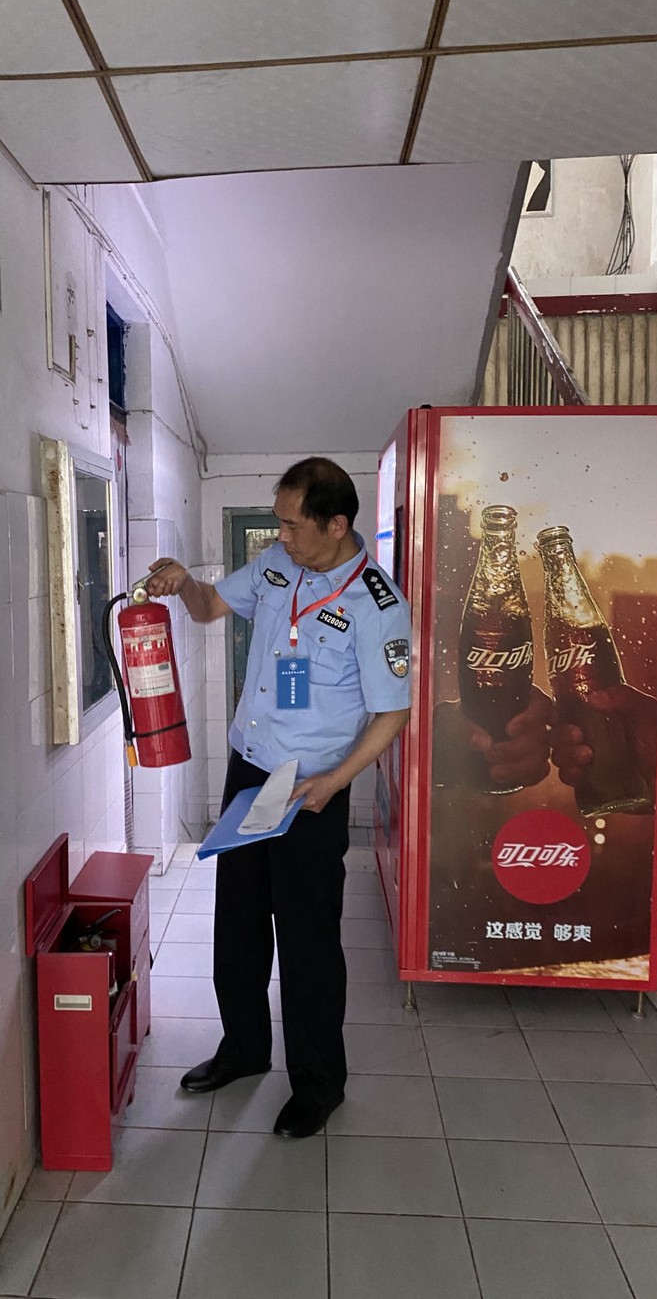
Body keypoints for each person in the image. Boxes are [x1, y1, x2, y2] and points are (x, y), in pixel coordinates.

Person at [145, 457, 411, 1138]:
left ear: (336, 524)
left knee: (307, 941)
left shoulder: (377, 605)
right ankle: (242, 1049)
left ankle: (318, 1084)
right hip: (250, 771)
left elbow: (392, 713)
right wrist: (184, 583)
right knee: (237, 921)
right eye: (279, 522)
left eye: (293, 525)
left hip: (309, 788)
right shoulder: (275, 565)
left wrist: (336, 780)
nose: (281, 535)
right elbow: (210, 606)